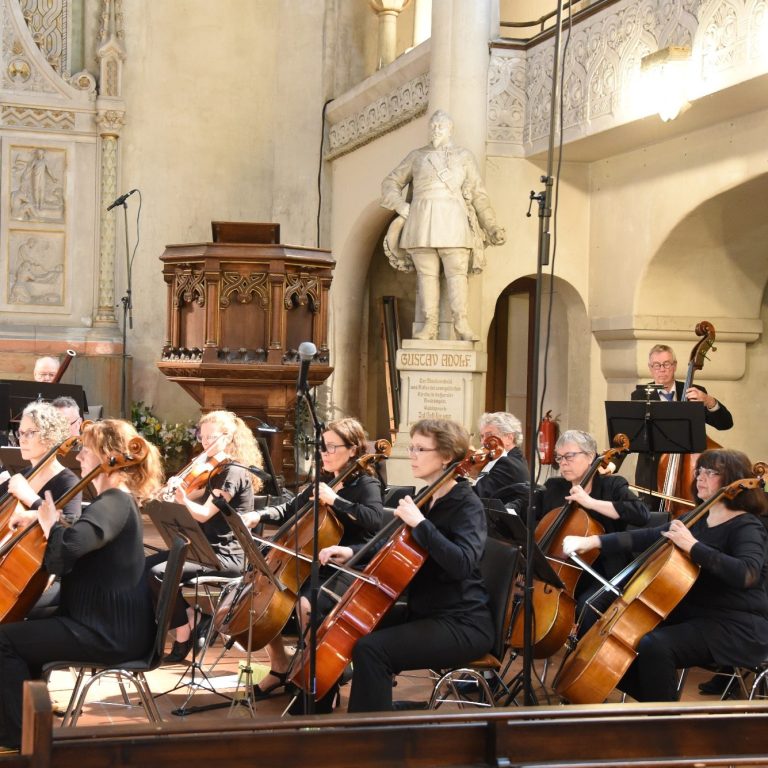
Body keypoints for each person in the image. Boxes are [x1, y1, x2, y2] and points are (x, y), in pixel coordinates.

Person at [0, 419, 163, 749]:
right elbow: (79, 535)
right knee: (18, 627)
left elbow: (67, 552)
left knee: (3, 640)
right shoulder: (113, 503)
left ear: (108, 456)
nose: (80, 458)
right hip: (98, 622)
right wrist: (46, 519)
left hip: (105, 632)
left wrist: (41, 512)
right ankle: (25, 727)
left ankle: (18, 740)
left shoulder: (115, 501)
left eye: (87, 450)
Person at [317, 418, 494, 712]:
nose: (411, 454)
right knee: (351, 628)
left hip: (462, 622)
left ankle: (371, 733)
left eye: (420, 449)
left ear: (447, 456)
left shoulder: (466, 504)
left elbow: (462, 563)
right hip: (425, 611)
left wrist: (421, 524)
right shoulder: (429, 497)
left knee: (372, 649)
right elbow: (396, 549)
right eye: (411, 447)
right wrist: (352, 551)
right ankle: (354, 714)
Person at [563, 448, 768, 702]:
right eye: (700, 471)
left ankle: (665, 720)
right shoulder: (698, 518)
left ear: (733, 479)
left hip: (736, 623)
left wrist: (692, 546)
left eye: (712, 472)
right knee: (615, 638)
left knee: (655, 645)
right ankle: (661, 708)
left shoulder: (747, 526)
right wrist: (593, 541)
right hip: (694, 614)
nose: (700, 478)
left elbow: (746, 574)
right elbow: (645, 535)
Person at [240, 417, 384, 700]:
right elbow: (289, 508)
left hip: (349, 564)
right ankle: (280, 667)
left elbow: (374, 521)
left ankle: (319, 673)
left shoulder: (367, 484)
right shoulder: (324, 481)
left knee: (306, 602)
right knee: (268, 596)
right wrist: (260, 514)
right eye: (322, 447)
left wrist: (336, 501)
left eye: (332, 447)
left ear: (353, 449)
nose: (325, 453)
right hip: (313, 561)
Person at [146, 410, 264, 663]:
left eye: (212, 437)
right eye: (202, 436)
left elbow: (202, 514)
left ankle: (183, 632)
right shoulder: (209, 470)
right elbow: (193, 497)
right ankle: (194, 617)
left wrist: (182, 499)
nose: (206, 443)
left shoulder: (232, 472)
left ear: (228, 437)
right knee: (143, 566)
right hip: (203, 549)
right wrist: (169, 492)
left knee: (158, 572)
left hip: (226, 555)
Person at [381, 110, 506, 341]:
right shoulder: (417, 156)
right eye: (433, 126)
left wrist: (491, 226)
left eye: (441, 126)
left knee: (457, 273)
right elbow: (391, 182)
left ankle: (461, 323)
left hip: (454, 221)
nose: (436, 129)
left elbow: (478, 194)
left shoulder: (463, 156)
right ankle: (429, 326)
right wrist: (400, 205)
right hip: (422, 221)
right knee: (426, 275)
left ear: (450, 130)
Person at [536, 430, 649, 626]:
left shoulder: (612, 485)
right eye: (559, 457)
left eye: (569, 456)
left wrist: (590, 502)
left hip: (606, 570)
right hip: (565, 568)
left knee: (586, 607)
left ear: (590, 457)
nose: (563, 462)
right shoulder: (554, 487)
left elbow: (641, 514)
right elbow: (536, 521)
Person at [631, 344, 733, 507]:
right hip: (651, 476)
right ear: (650, 368)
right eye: (657, 365)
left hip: (689, 473)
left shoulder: (695, 391)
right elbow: (632, 434)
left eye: (667, 364)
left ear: (675, 366)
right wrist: (612, 463)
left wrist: (708, 400)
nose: (662, 369)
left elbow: (725, 423)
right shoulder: (640, 395)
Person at [471, 411, 529, 503]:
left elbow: (475, 496)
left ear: (509, 438)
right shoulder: (510, 459)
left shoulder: (508, 465)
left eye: (489, 435)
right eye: (482, 436)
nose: (483, 442)